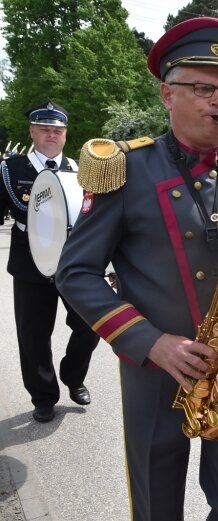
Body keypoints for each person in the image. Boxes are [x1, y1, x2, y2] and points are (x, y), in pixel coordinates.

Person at [55, 17, 218, 520]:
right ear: (167, 94)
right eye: (203, 88)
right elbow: (75, 273)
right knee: (157, 508)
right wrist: (151, 343)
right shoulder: (126, 167)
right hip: (155, 369)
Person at [0, 100, 100, 423]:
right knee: (33, 336)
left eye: (57, 130)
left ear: (65, 135)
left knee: (89, 325)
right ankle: (44, 396)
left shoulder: (81, 170)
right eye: (44, 128)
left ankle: (73, 376)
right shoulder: (11, 170)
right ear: (32, 132)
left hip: (74, 264)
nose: (51, 134)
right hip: (30, 264)